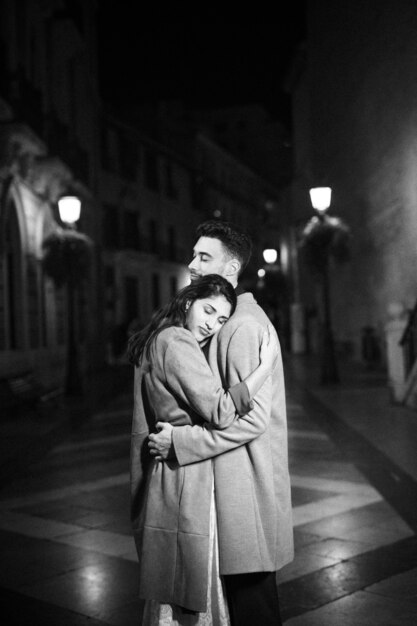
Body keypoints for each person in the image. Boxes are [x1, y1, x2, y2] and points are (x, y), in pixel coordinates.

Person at [149, 220, 294, 626]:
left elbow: (252, 422)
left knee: (254, 608)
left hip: (245, 490)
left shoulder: (242, 326)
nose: (192, 264)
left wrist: (180, 441)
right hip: (236, 490)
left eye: (204, 256)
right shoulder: (231, 319)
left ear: (231, 268)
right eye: (193, 254)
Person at [128, 274, 278, 624]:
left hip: (174, 474)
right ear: (186, 304)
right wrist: (263, 369)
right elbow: (221, 409)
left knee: (175, 587)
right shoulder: (176, 341)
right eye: (208, 311)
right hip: (186, 479)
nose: (212, 325)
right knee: (193, 587)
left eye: (222, 319)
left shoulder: (160, 337)